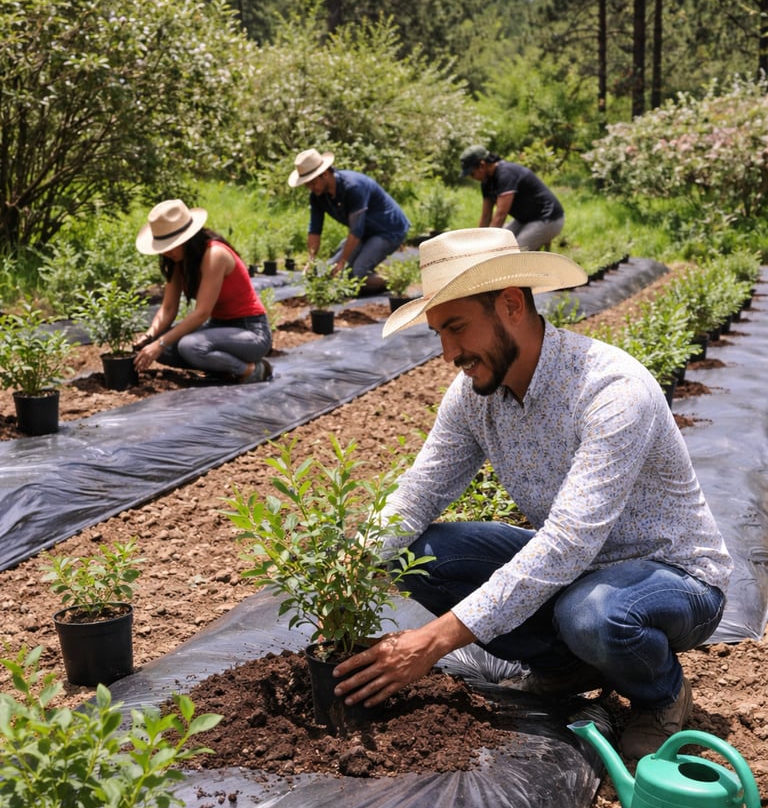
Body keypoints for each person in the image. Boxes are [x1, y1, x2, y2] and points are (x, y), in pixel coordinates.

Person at [332, 227, 732, 760]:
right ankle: (566, 670)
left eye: (457, 327)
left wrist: (432, 640)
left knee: (594, 615)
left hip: (673, 577)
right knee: (421, 556)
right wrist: (348, 575)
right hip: (577, 577)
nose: (449, 352)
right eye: (438, 334)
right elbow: (418, 493)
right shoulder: (475, 396)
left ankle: (661, 695)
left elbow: (568, 542)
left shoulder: (610, 389)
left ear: (512, 304)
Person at [134, 199, 273, 383]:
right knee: (162, 348)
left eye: (170, 245)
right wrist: (149, 337)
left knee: (189, 346)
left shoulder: (215, 255)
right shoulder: (178, 262)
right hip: (218, 327)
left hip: (250, 331)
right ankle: (221, 368)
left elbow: (202, 313)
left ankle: (251, 370)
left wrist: (159, 343)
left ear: (187, 238)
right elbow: (168, 308)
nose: (166, 252)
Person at [288, 148, 410, 294]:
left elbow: (356, 230)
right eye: (307, 184)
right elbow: (315, 229)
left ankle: (397, 281)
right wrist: (311, 260)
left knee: (356, 274)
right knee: (329, 270)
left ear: (325, 174)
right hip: (366, 231)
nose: (311, 188)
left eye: (313, 183)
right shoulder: (317, 196)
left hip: (389, 229)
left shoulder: (353, 187)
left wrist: (342, 263)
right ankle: (372, 279)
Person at [460, 145, 565, 251]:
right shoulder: (486, 182)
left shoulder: (506, 174)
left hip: (549, 218)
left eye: (472, 173)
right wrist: (478, 244)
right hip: (524, 220)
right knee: (502, 244)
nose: (472, 178)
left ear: (482, 165)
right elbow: (486, 216)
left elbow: (500, 215)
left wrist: (487, 247)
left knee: (513, 254)